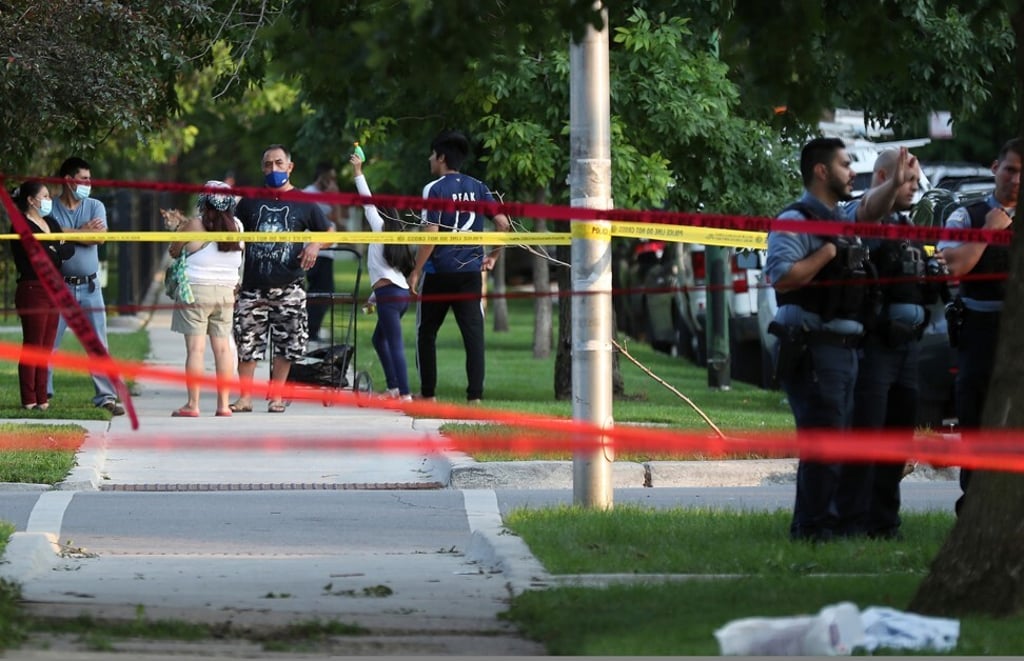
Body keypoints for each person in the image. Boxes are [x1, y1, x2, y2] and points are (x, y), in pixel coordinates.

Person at [765, 137, 905, 542]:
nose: (852, 172)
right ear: (822, 171)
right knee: (823, 447)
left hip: (844, 351)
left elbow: (872, 208)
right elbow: (784, 277)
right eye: (846, 165)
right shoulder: (797, 219)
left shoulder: (842, 217)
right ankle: (811, 531)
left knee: (838, 447)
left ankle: (826, 526)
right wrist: (827, 253)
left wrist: (895, 182)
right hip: (812, 346)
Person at [842, 148, 933, 539]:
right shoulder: (865, 216)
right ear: (883, 178)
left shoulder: (906, 224)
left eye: (914, 181)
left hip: (907, 350)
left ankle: (884, 523)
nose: (913, 187)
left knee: (897, 440)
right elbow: (866, 216)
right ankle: (855, 520)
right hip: (875, 346)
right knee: (868, 436)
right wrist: (894, 181)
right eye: (906, 180)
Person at [936, 137, 1022, 514]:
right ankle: (975, 510)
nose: (1016, 180)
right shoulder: (966, 216)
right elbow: (954, 266)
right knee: (977, 421)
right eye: (1011, 170)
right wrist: (989, 230)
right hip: (981, 332)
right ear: (994, 168)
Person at [229, 144, 333, 414]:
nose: (273, 169)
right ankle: (245, 398)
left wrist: (314, 244)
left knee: (288, 345)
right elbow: (231, 236)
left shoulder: (304, 202)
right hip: (252, 287)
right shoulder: (250, 201)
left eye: (278, 163)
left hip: (289, 286)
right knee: (247, 343)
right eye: (267, 164)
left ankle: (276, 396)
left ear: (290, 166)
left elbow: (330, 230)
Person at [408, 130, 511, 403]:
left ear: (441, 157)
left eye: (432, 154)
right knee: (473, 335)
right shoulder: (479, 187)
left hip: (439, 272)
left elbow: (430, 234)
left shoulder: (435, 189)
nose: (430, 159)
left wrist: (416, 270)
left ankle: (428, 394)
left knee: (426, 332)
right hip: (469, 273)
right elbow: (503, 224)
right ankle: (474, 397)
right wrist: (494, 257)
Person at [46, 157, 125, 416]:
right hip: (59, 289)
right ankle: (42, 394)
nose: (88, 184)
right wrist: (81, 232)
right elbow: (47, 236)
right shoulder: (50, 209)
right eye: (83, 179)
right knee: (48, 344)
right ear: (69, 181)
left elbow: (98, 238)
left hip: (90, 289)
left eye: (90, 179)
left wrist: (66, 233)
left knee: (98, 344)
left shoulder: (95, 206)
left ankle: (106, 397)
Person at [166, 181, 244, 417]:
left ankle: (193, 405)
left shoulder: (194, 225)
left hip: (196, 292)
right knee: (223, 350)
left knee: (196, 351)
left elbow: (174, 250)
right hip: (225, 292)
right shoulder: (238, 226)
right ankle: (223, 405)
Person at [350, 153, 414, 401]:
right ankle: (395, 388)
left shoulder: (379, 228)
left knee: (395, 344)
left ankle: (404, 394)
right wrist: (374, 297)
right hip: (397, 295)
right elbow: (387, 273)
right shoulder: (395, 237)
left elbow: (367, 201)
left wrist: (358, 171)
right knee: (380, 339)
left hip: (390, 295)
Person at [10, 181, 72, 411]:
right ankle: (29, 398)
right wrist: (56, 248)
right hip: (32, 289)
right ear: (31, 200)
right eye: (45, 196)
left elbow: (67, 250)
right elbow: (40, 256)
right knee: (33, 345)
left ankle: (42, 399)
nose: (49, 200)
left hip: (54, 289)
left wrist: (55, 248)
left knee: (46, 347)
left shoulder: (51, 222)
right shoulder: (20, 225)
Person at [302, 162, 344, 342]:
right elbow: (320, 220)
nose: (331, 181)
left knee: (323, 292)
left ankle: (312, 329)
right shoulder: (308, 194)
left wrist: (335, 199)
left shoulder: (330, 196)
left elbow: (339, 219)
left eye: (333, 178)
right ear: (321, 177)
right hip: (314, 250)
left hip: (327, 250)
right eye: (329, 178)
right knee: (321, 291)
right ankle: (310, 330)